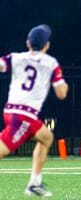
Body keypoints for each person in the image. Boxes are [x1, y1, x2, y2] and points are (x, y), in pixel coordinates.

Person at [0, 24, 68, 196]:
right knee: (3, 149)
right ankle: (34, 184)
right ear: (47, 45)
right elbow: (61, 94)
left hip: (12, 111)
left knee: (46, 137)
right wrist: (63, 84)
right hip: (24, 116)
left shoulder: (15, 57)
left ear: (28, 43)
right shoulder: (51, 63)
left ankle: (35, 183)